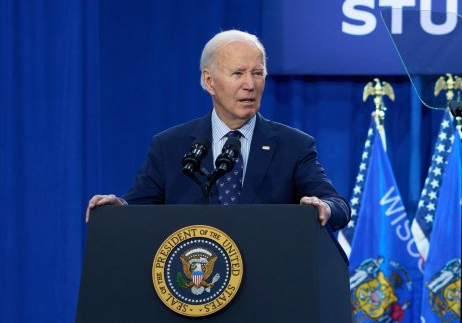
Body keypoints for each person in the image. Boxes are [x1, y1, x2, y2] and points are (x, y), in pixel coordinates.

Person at [86, 29, 350, 230]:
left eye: (257, 73)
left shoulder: (293, 146)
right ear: (209, 80)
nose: (250, 85)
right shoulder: (170, 146)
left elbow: (338, 207)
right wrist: (116, 209)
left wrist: (323, 206)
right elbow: (136, 207)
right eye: (238, 74)